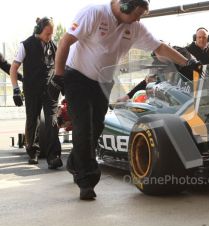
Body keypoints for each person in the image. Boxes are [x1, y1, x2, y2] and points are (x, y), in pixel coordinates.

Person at [49, 0, 200, 200]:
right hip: (77, 77)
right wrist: (59, 75)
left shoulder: (135, 27)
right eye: (137, 14)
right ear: (125, 6)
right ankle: (87, 182)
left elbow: (160, 48)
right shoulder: (93, 13)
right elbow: (65, 41)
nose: (138, 19)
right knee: (83, 127)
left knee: (96, 127)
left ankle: (76, 163)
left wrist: (188, 62)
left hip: (103, 82)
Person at [10, 17, 62, 169]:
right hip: (32, 89)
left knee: (52, 121)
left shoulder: (53, 46)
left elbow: (60, 66)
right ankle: (33, 151)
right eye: (47, 34)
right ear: (39, 31)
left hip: (50, 90)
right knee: (33, 119)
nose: (50, 37)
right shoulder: (25, 45)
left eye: (51, 34)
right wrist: (15, 90)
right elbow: (13, 68)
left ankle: (54, 156)